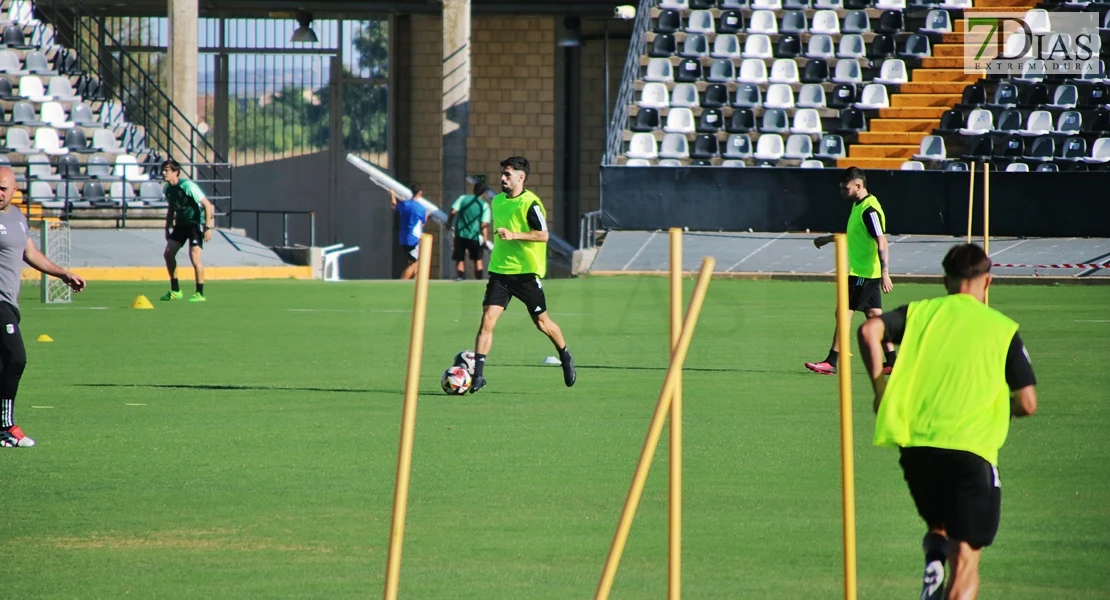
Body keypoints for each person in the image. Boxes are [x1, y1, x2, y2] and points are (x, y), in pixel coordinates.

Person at [858, 243, 1037, 600]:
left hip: (917, 447)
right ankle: (944, 568)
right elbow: (1028, 403)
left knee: (939, 526)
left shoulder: (920, 313)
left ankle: (935, 556)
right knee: (968, 558)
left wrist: (881, 390)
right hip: (971, 450)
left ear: (945, 281)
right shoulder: (1001, 328)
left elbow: (868, 332)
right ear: (987, 282)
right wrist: (1004, 408)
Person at [469, 156, 575, 393]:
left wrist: (514, 235)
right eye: (503, 174)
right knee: (487, 321)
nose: (503, 178)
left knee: (542, 323)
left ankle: (565, 355)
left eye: (508, 174)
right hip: (500, 272)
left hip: (526, 273)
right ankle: (478, 376)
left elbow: (543, 235)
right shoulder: (497, 201)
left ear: (521, 177)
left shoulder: (531, 203)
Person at [0, 166, 86, 448]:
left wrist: (62, 273)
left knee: (5, 362)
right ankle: (5, 426)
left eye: (3, 188)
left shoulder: (17, 217)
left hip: (10, 302)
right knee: (16, 358)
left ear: (15, 190)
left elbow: (30, 253)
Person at [806, 166, 895, 375]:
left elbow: (881, 240)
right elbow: (854, 234)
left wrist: (885, 272)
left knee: (843, 312)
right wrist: (827, 239)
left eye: (845, 189)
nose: (842, 193)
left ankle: (832, 361)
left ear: (858, 185)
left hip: (864, 274)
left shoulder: (869, 210)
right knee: (874, 316)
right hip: (864, 272)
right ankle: (892, 360)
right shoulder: (858, 205)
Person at [159, 159, 215, 302]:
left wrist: (208, 228)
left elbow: (208, 205)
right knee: (168, 254)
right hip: (180, 225)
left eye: (167, 170)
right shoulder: (167, 189)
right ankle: (175, 290)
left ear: (175, 172)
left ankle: (200, 293)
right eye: (163, 170)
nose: (164, 173)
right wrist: (167, 227)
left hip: (194, 224)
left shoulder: (187, 186)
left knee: (194, 256)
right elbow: (172, 208)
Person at [448, 182, 491, 281]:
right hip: (474, 236)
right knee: (477, 259)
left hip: (460, 234)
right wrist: (484, 240)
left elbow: (453, 211)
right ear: (483, 193)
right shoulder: (484, 206)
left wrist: (449, 222)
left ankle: (460, 278)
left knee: (460, 258)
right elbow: (483, 224)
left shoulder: (463, 198)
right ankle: (479, 280)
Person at [390, 185, 428, 280]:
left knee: (411, 261)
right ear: (420, 193)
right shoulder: (421, 208)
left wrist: (392, 195)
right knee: (416, 262)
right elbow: (422, 223)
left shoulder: (404, 204)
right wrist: (427, 216)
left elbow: (394, 206)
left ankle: (415, 281)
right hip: (413, 239)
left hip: (403, 237)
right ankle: (403, 281)